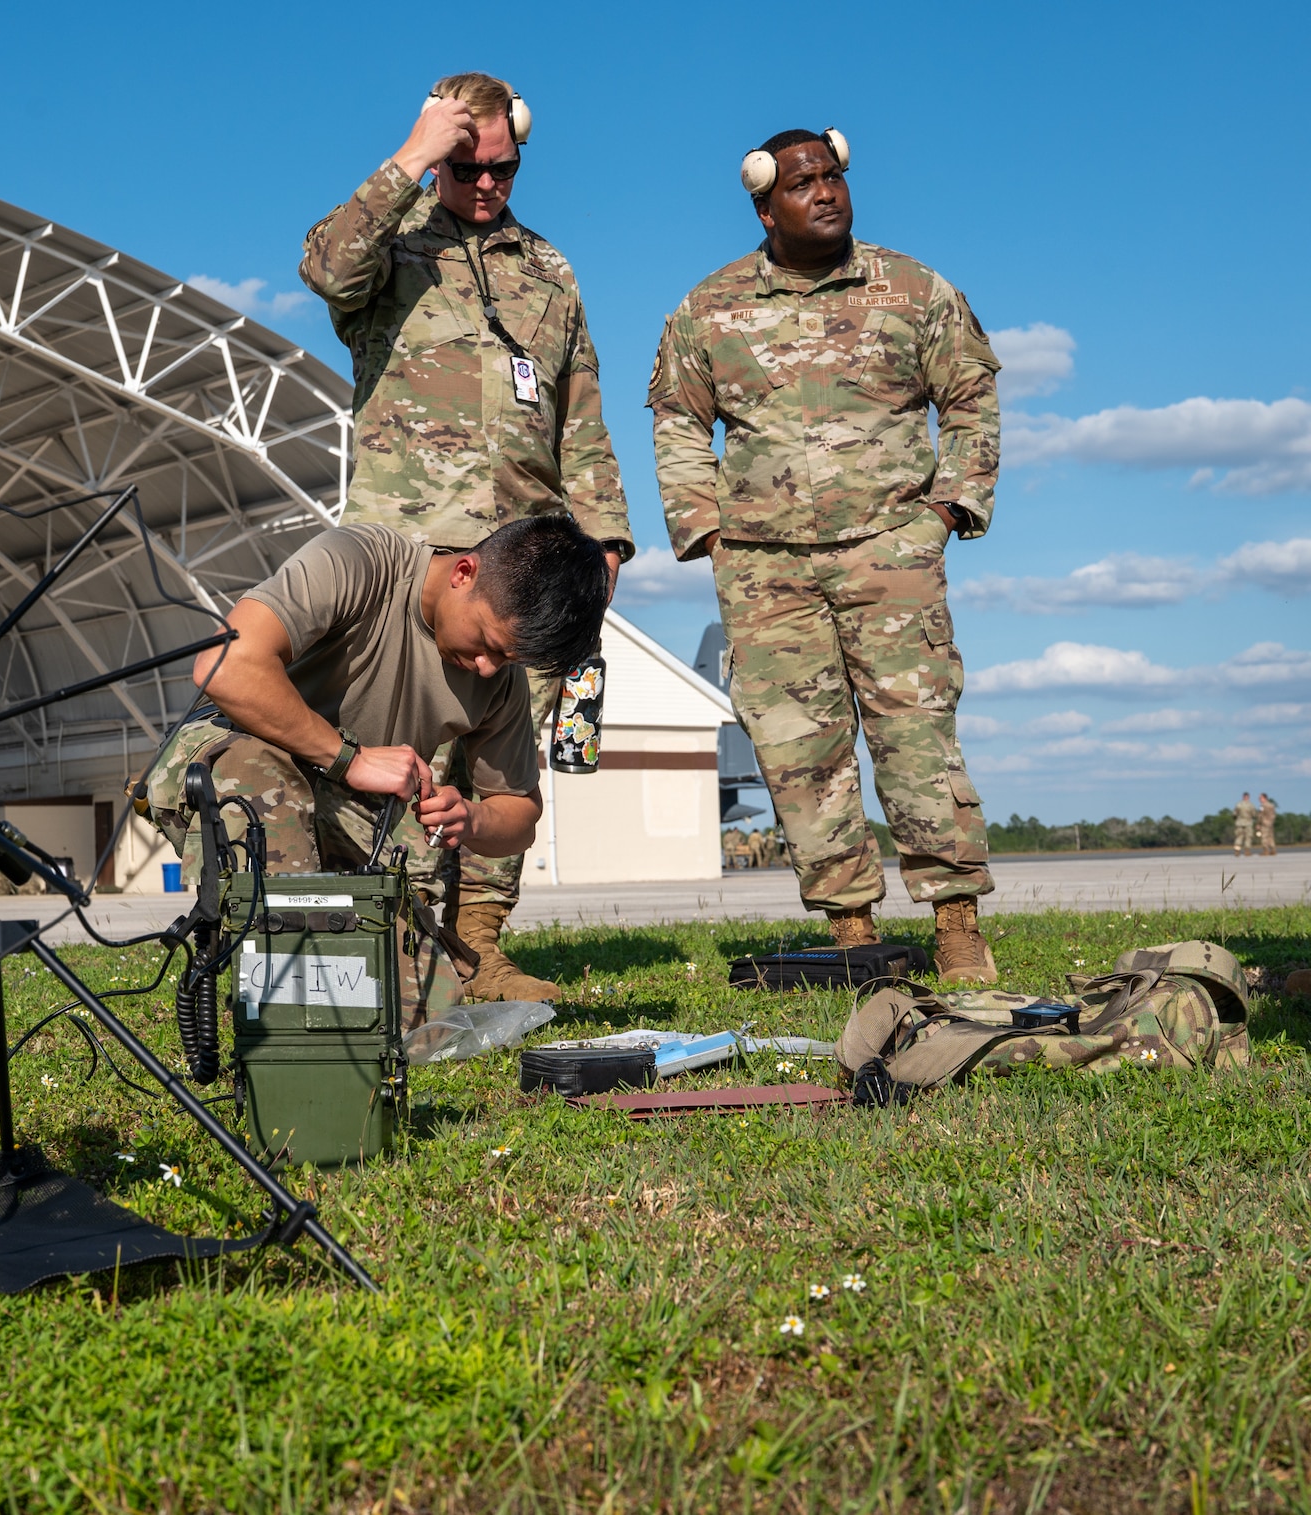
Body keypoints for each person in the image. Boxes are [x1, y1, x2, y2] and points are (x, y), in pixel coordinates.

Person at [299, 71, 634, 1003]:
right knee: (393, 748)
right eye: (467, 166)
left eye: (504, 171)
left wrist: (603, 540)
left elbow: (582, 409)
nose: (486, 186)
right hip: (406, 557)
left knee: (501, 764)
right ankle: (383, 936)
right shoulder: (391, 244)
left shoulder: (549, 269)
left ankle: (479, 943)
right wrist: (411, 156)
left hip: (523, 560)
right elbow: (326, 269)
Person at [650, 128, 1004, 986]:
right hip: (767, 568)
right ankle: (852, 934)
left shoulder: (913, 289)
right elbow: (677, 417)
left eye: (834, 177)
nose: (827, 193)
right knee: (797, 749)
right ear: (765, 205)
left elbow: (971, 392)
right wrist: (706, 528)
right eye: (805, 183)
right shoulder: (711, 307)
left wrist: (952, 503)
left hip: (891, 550)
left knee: (915, 733)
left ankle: (956, 926)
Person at [140, 514, 608, 983]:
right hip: (228, 760)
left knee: (421, 1012)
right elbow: (225, 665)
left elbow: (520, 813)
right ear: (464, 573)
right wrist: (350, 759)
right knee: (261, 778)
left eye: (508, 657)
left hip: (343, 812)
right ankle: (279, 994)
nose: (488, 668)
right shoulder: (362, 561)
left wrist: (472, 817)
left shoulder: (497, 679)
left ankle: (317, 977)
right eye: (488, 643)